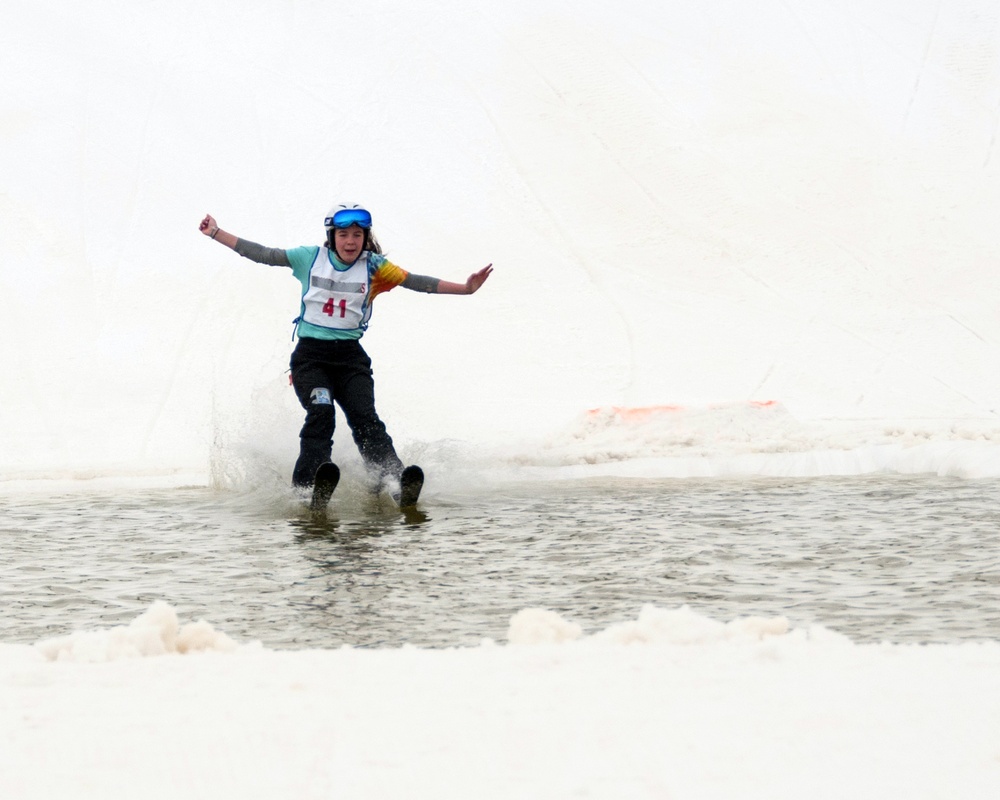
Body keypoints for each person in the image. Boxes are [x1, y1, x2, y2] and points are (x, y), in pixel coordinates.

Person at [198, 203, 492, 490]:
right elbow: (264, 254)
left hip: (351, 360)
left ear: (365, 238)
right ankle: (307, 485)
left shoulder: (375, 268)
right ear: (331, 237)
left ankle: (391, 479)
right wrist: (216, 232)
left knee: (366, 419)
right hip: (310, 360)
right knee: (321, 414)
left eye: (357, 234)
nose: (350, 241)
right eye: (343, 234)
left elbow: (415, 282)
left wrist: (465, 289)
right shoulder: (310, 258)